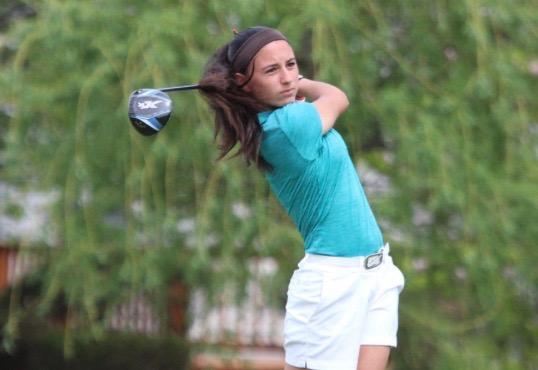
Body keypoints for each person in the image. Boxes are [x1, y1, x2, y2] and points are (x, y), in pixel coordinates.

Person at [198, 26, 405, 370]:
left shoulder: (286, 117)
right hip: (332, 286)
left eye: (291, 65)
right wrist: (303, 83)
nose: (286, 78)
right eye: (271, 70)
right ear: (243, 82)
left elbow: (328, 99)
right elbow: (337, 97)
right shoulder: (287, 125)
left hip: (378, 271)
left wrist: (291, 83)